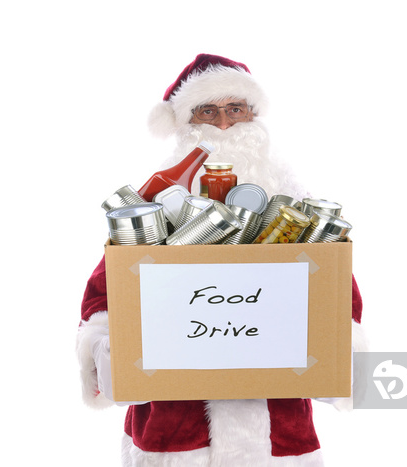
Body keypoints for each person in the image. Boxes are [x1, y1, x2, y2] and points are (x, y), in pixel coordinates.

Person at [77, 53, 366, 466]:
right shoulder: (152, 207)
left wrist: (337, 351)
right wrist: (112, 353)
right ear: (184, 124)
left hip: (277, 430)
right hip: (176, 428)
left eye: (235, 109)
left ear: (254, 116)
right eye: (207, 112)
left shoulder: (295, 205)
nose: (224, 124)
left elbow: (336, 287)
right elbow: (108, 287)